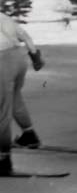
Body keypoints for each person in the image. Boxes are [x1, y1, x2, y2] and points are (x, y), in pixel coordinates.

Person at [0, 12, 44, 176]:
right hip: (18, 58)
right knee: (14, 97)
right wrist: (35, 58)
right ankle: (29, 135)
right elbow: (25, 36)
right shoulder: (3, 17)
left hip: (2, 61)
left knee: (2, 110)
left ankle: (3, 160)